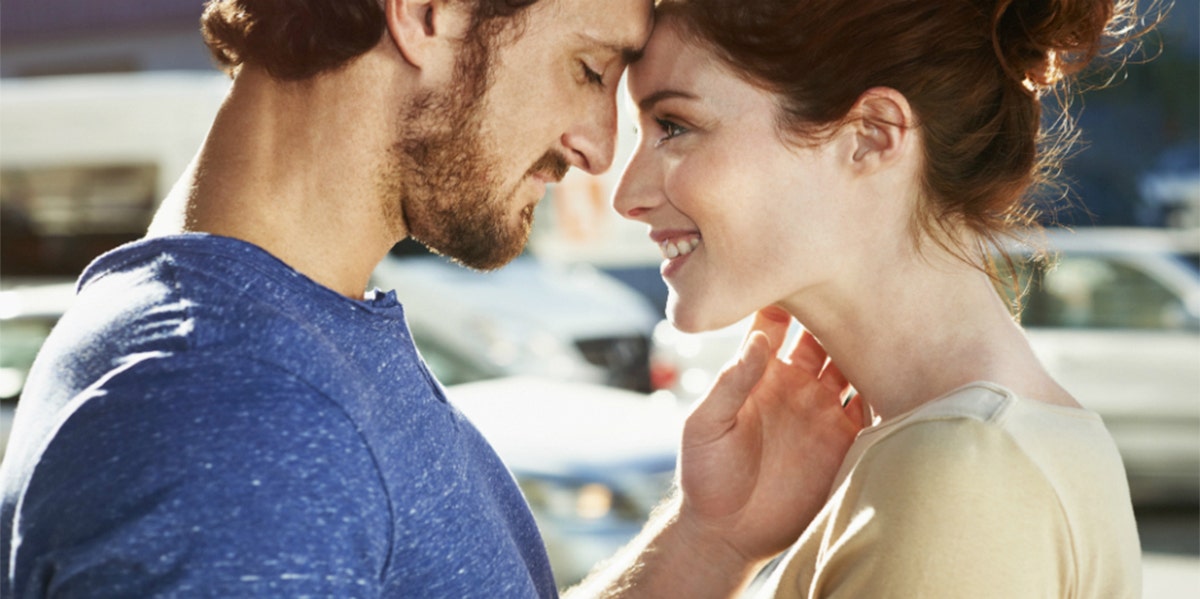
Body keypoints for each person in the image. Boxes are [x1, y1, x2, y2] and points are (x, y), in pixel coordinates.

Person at [0, 0, 865, 597]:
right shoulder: (231, 416)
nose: (599, 149)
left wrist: (708, 538)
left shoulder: (282, 344)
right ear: (424, 13)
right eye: (590, 68)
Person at [614, 0, 1156, 596]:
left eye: (673, 126)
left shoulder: (962, 473)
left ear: (871, 136)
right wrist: (711, 539)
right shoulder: (962, 447)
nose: (627, 195)